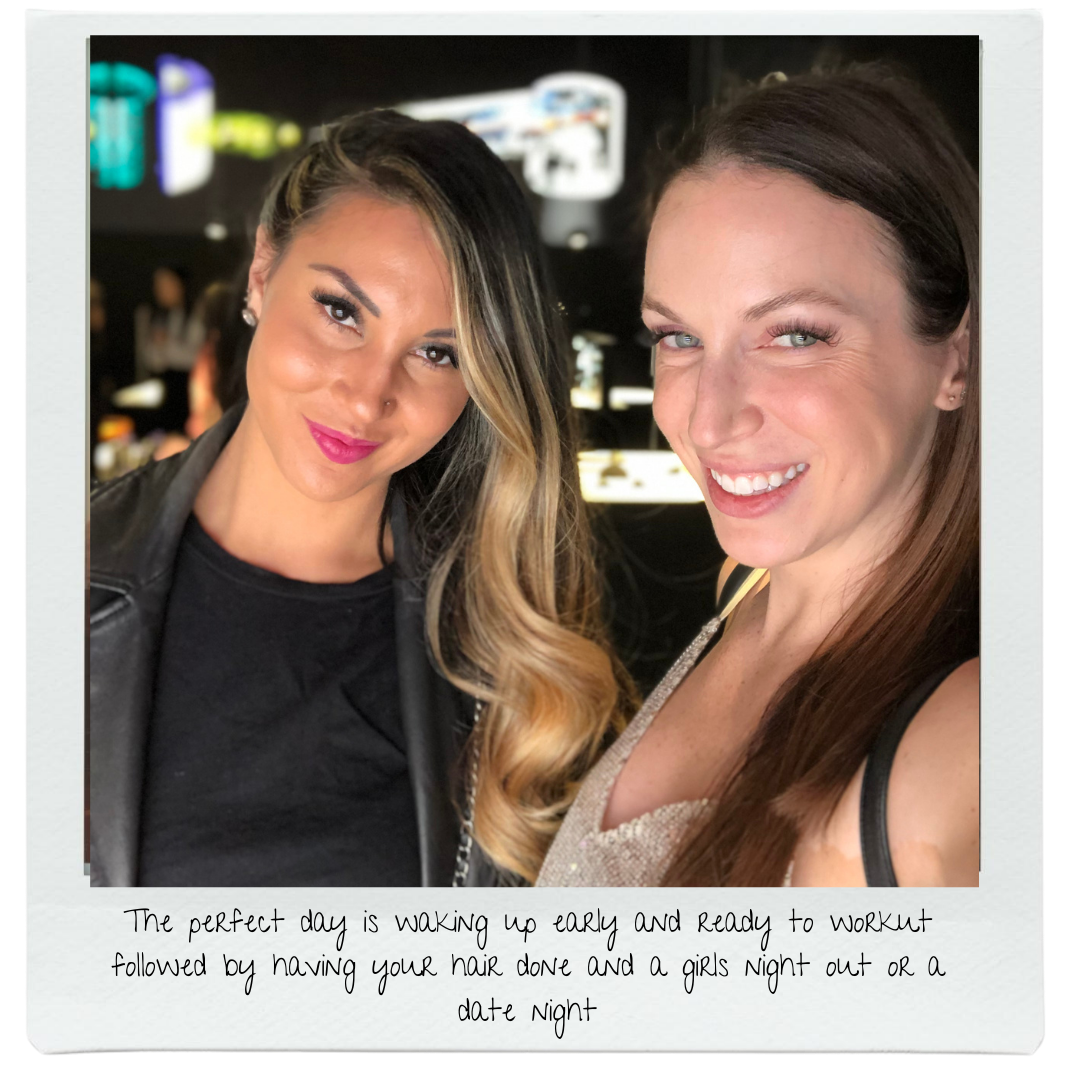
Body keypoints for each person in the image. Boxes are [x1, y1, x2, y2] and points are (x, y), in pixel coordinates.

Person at [89, 110, 635, 887]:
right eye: (341, 312)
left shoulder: (505, 653)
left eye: (437, 352)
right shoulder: (69, 575)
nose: (368, 394)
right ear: (261, 270)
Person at [538, 65, 979, 888]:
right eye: (677, 337)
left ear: (953, 354)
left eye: (795, 335)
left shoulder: (962, 748)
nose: (708, 420)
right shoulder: (745, 585)